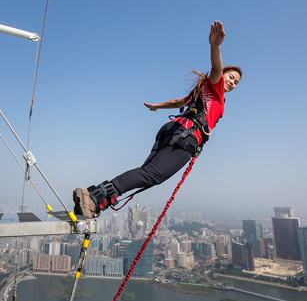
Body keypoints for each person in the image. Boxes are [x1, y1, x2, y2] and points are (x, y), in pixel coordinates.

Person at [73, 20, 242, 217]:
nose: (232, 82)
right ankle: (93, 197)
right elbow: (216, 69)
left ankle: (96, 199)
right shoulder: (216, 91)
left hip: (172, 130)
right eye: (230, 77)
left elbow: (179, 102)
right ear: (223, 75)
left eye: (236, 82)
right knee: (153, 174)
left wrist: (157, 106)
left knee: (147, 172)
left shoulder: (202, 91)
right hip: (186, 137)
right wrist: (215, 46)